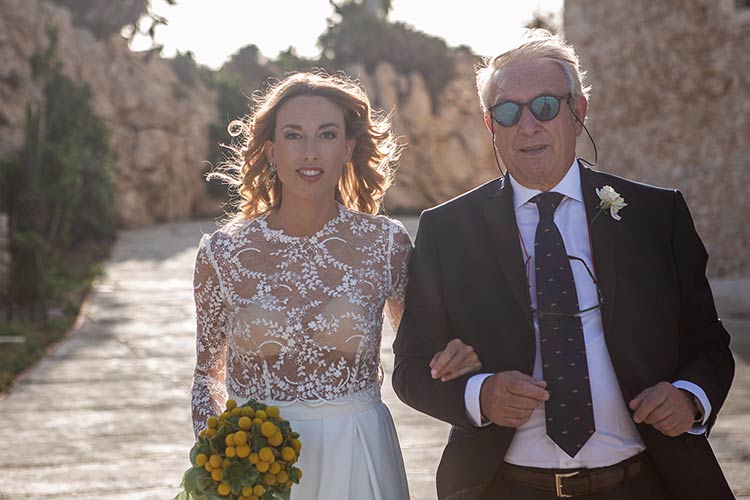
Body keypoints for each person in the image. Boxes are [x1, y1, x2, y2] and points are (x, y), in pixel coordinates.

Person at [392, 30, 735, 500]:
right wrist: (481, 396)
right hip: (502, 488)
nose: (527, 126)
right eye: (508, 112)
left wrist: (690, 398)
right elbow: (410, 368)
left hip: (646, 483)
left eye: (545, 107)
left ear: (579, 111)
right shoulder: (447, 231)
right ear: (491, 125)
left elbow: (710, 344)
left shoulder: (656, 216)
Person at [190, 71, 482, 500]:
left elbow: (422, 353)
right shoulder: (222, 254)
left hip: (359, 455)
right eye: (294, 136)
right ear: (271, 151)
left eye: (326, 135)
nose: (310, 152)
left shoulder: (385, 245)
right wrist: (217, 458)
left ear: (347, 148)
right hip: (254, 470)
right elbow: (206, 378)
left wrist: (457, 357)